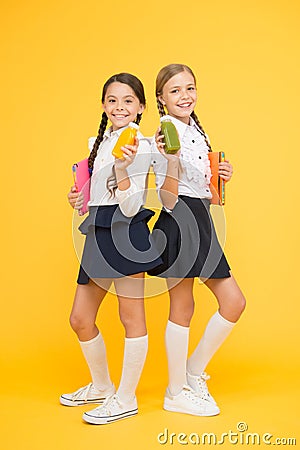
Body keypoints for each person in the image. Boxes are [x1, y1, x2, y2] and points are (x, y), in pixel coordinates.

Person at [61, 73, 162, 425]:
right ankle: (103, 386)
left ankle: (126, 398)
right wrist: (78, 199)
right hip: (99, 229)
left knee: (131, 318)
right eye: (113, 100)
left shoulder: (144, 145)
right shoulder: (100, 142)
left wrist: (121, 169)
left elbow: (132, 206)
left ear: (141, 107)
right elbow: (92, 201)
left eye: (128, 100)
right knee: (80, 318)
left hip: (127, 233)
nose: (120, 107)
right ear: (104, 105)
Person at [149, 64, 246, 417]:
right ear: (161, 98)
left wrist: (223, 175)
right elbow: (168, 199)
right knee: (183, 307)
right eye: (175, 91)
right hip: (180, 219)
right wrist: (171, 160)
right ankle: (176, 391)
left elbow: (205, 190)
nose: (185, 96)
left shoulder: (195, 130)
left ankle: (190, 373)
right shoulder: (165, 134)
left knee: (231, 302)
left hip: (199, 217)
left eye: (190, 88)